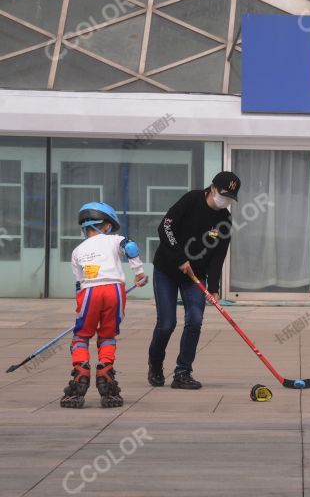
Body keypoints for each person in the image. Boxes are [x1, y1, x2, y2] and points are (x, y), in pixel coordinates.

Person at [147, 171, 240, 389]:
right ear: (213, 188)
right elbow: (165, 227)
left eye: (230, 198)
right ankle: (156, 364)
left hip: (195, 276)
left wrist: (214, 288)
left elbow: (218, 256)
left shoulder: (224, 220)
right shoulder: (191, 200)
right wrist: (179, 257)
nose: (225, 201)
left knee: (195, 320)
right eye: (223, 194)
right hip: (167, 270)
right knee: (167, 324)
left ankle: (182, 372)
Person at [62, 202, 147, 408]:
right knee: (107, 335)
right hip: (115, 291)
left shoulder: (77, 250)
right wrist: (139, 273)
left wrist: (81, 311)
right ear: (107, 226)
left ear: (84, 227)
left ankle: (80, 374)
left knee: (81, 335)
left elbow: (78, 284)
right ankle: (105, 375)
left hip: (89, 291)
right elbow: (131, 247)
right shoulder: (114, 239)